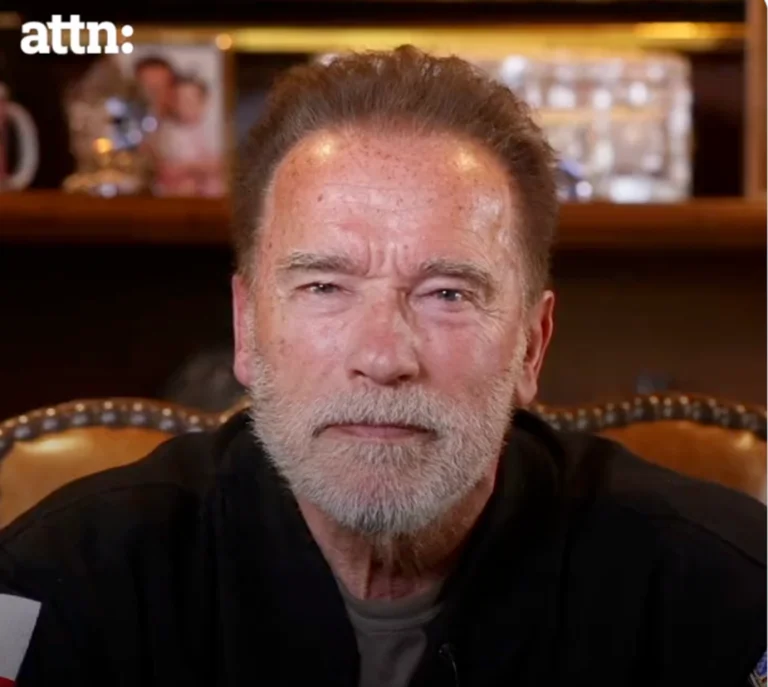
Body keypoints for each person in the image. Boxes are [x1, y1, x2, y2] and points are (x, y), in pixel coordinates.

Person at [0, 46, 764, 687]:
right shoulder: (64, 583)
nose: (382, 356)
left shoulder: (727, 594)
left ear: (532, 343)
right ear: (246, 326)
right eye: (325, 286)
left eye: (447, 293)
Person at [155, 74, 225, 197]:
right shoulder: (167, 131)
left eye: (189, 100)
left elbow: (222, 164)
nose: (184, 106)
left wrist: (187, 167)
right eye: (178, 100)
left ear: (204, 101)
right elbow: (166, 168)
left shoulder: (215, 130)